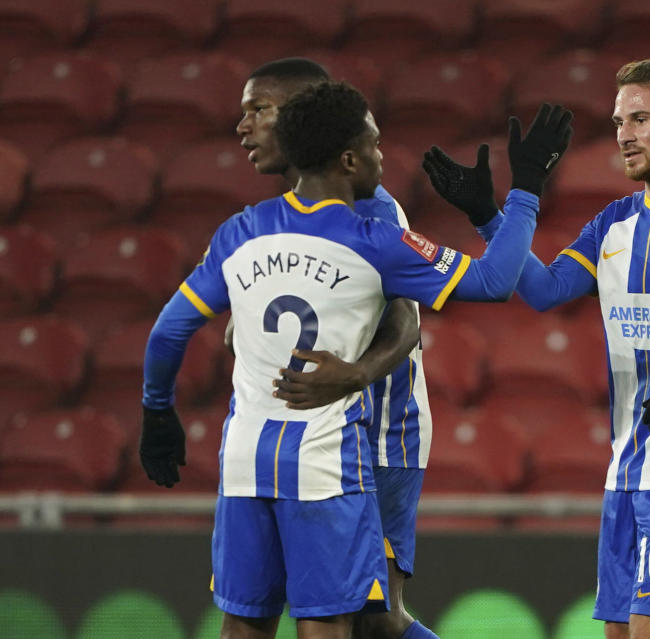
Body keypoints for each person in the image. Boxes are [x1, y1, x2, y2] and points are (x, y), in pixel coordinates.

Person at [140, 80, 573, 639]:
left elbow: (169, 329)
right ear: (348, 159)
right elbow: (494, 281)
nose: (381, 155)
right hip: (326, 468)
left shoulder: (237, 233)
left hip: (244, 464)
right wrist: (525, 192)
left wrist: (157, 410)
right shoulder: (375, 242)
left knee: (243, 626)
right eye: (373, 145)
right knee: (334, 625)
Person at [423, 59, 650, 639]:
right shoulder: (613, 222)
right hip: (628, 468)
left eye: (640, 118)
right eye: (619, 120)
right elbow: (543, 291)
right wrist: (488, 217)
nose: (623, 133)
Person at [235, 57, 433, 639]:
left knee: (374, 619)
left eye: (259, 110)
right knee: (339, 614)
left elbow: (406, 324)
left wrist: (355, 374)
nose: (243, 127)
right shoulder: (278, 216)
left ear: (301, 115)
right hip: (311, 439)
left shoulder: (368, 206)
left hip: (379, 434)